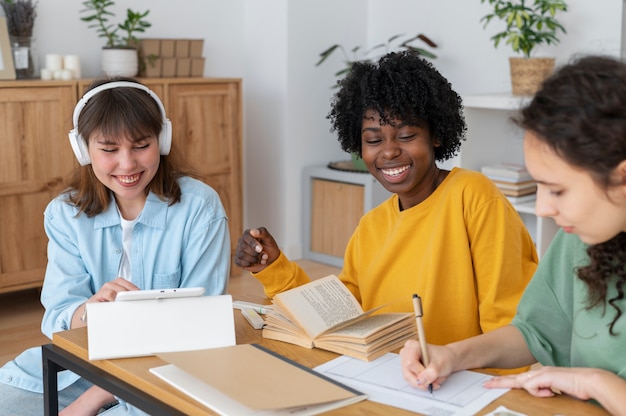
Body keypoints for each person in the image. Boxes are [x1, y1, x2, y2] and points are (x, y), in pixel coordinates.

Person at [235, 51, 538, 349]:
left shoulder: (475, 197)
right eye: (374, 140)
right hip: (388, 376)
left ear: (436, 135)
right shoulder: (372, 226)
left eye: (406, 136)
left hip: (463, 383)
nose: (389, 151)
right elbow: (339, 313)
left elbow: (509, 319)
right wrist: (273, 266)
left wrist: (499, 392)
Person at [399, 55, 626, 415]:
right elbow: (535, 331)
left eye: (558, 190)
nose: (542, 209)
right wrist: (452, 354)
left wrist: (596, 383)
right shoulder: (582, 236)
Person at [0, 78, 231, 415]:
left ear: (162, 141)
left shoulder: (200, 207)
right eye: (109, 150)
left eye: (141, 145)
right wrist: (89, 310)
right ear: (83, 149)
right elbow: (57, 318)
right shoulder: (66, 213)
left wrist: (93, 399)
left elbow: (199, 330)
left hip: (168, 370)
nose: (127, 165)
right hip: (82, 366)